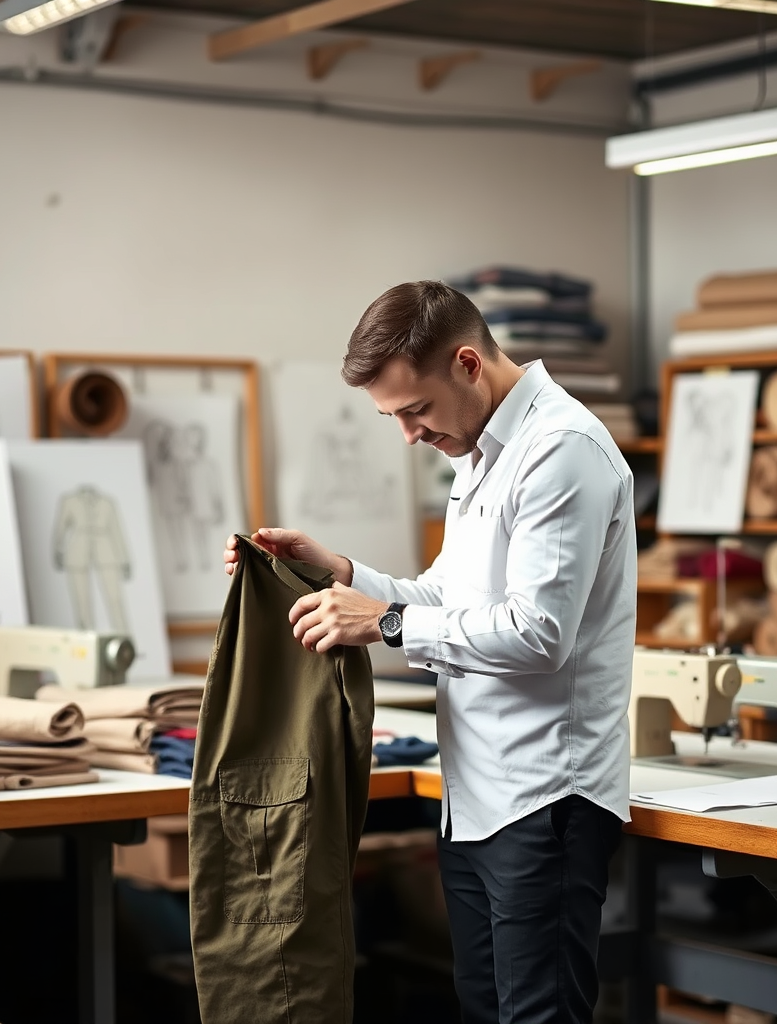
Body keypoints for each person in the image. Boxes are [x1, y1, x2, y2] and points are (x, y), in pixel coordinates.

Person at [224, 280, 636, 1024]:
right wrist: (340, 574)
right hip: (477, 796)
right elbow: (448, 596)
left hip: (544, 797)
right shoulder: (480, 454)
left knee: (536, 1018)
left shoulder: (560, 450)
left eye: (414, 411)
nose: (409, 436)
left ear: (469, 364)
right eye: (393, 418)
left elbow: (539, 633)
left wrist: (381, 622)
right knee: (487, 1010)